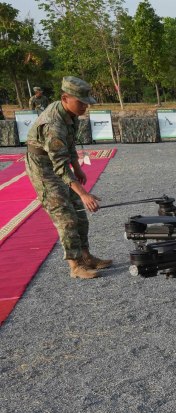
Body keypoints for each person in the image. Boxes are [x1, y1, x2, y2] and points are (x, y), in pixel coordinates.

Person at [24, 77, 108, 279]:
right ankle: (75, 265)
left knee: (79, 211)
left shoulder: (71, 113)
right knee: (65, 215)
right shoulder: (53, 125)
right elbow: (59, 166)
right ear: (65, 98)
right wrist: (84, 193)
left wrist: (77, 167)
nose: (85, 107)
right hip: (42, 167)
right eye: (81, 102)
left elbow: (69, 145)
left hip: (57, 160)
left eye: (87, 102)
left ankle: (86, 257)